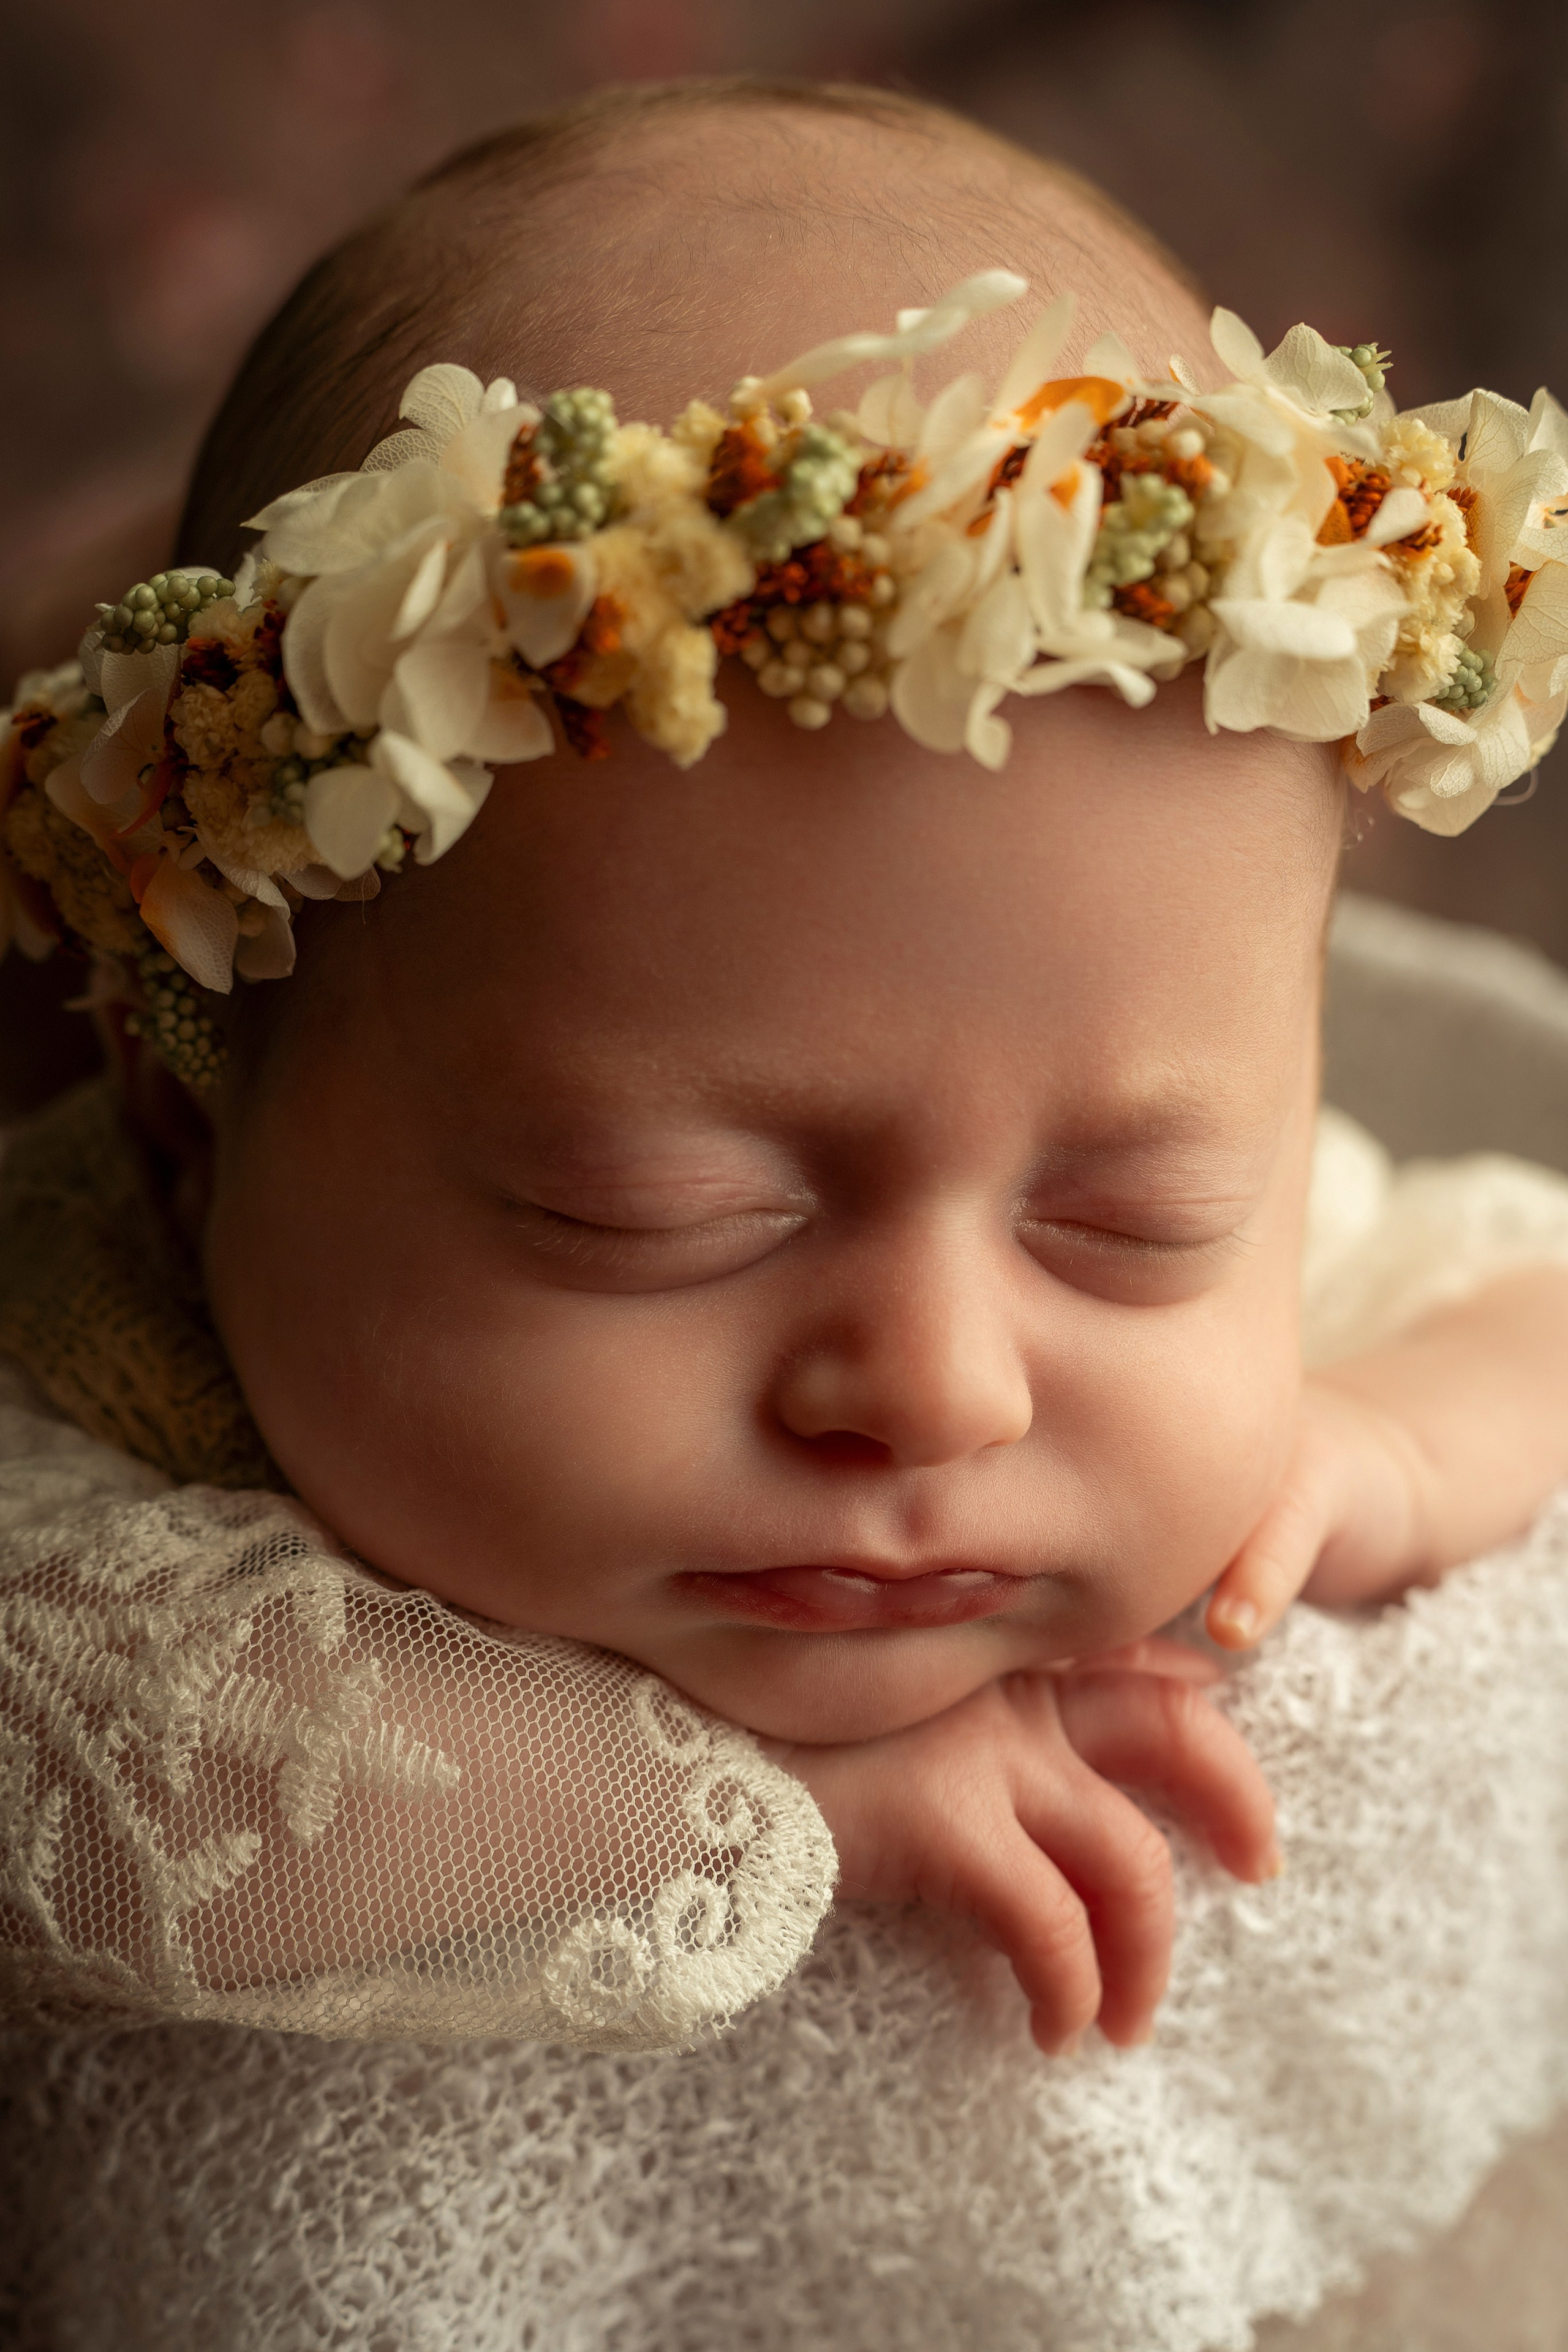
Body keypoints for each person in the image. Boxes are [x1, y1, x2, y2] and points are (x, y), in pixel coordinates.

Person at [7, 77, 1568, 2350]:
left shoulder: (1128, 1141)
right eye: (661, 1208)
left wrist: (1380, 1442)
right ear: (189, 1124)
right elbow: (103, 1782)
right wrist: (776, 1808)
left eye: (1132, 1223)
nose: (936, 1379)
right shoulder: (88, 1351)